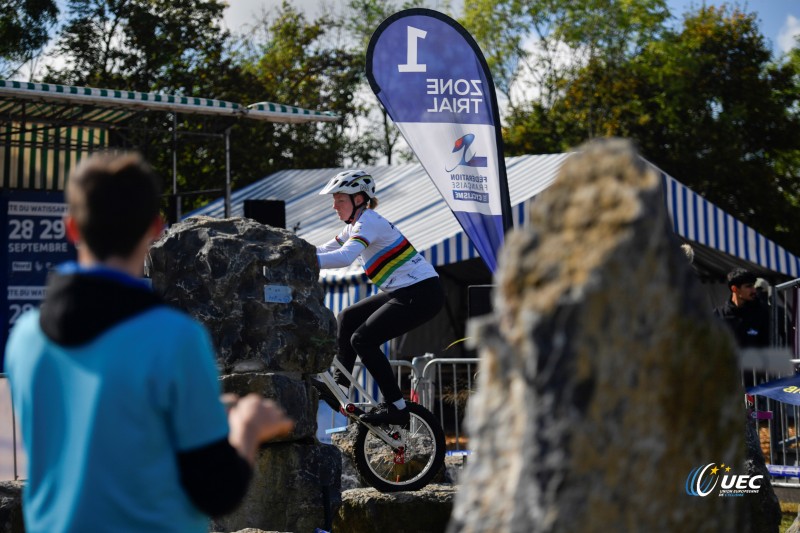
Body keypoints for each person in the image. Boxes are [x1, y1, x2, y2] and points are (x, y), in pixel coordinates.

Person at [4, 152, 294, 533]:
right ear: (155, 229)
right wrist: (247, 427)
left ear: (72, 227)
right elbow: (216, 492)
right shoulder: (175, 338)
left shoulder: (25, 337)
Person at [315, 169, 445, 425]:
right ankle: (340, 388)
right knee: (348, 316)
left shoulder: (368, 223)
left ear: (359, 199)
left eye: (339, 199)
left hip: (422, 292)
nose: (334, 206)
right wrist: (292, 249)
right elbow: (325, 248)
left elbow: (344, 257)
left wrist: (303, 260)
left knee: (362, 339)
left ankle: (396, 406)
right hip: (404, 289)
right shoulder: (356, 224)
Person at [714, 268, 770, 348]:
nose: (754, 290)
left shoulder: (762, 313)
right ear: (735, 289)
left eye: (753, 286)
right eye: (749, 286)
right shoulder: (718, 315)